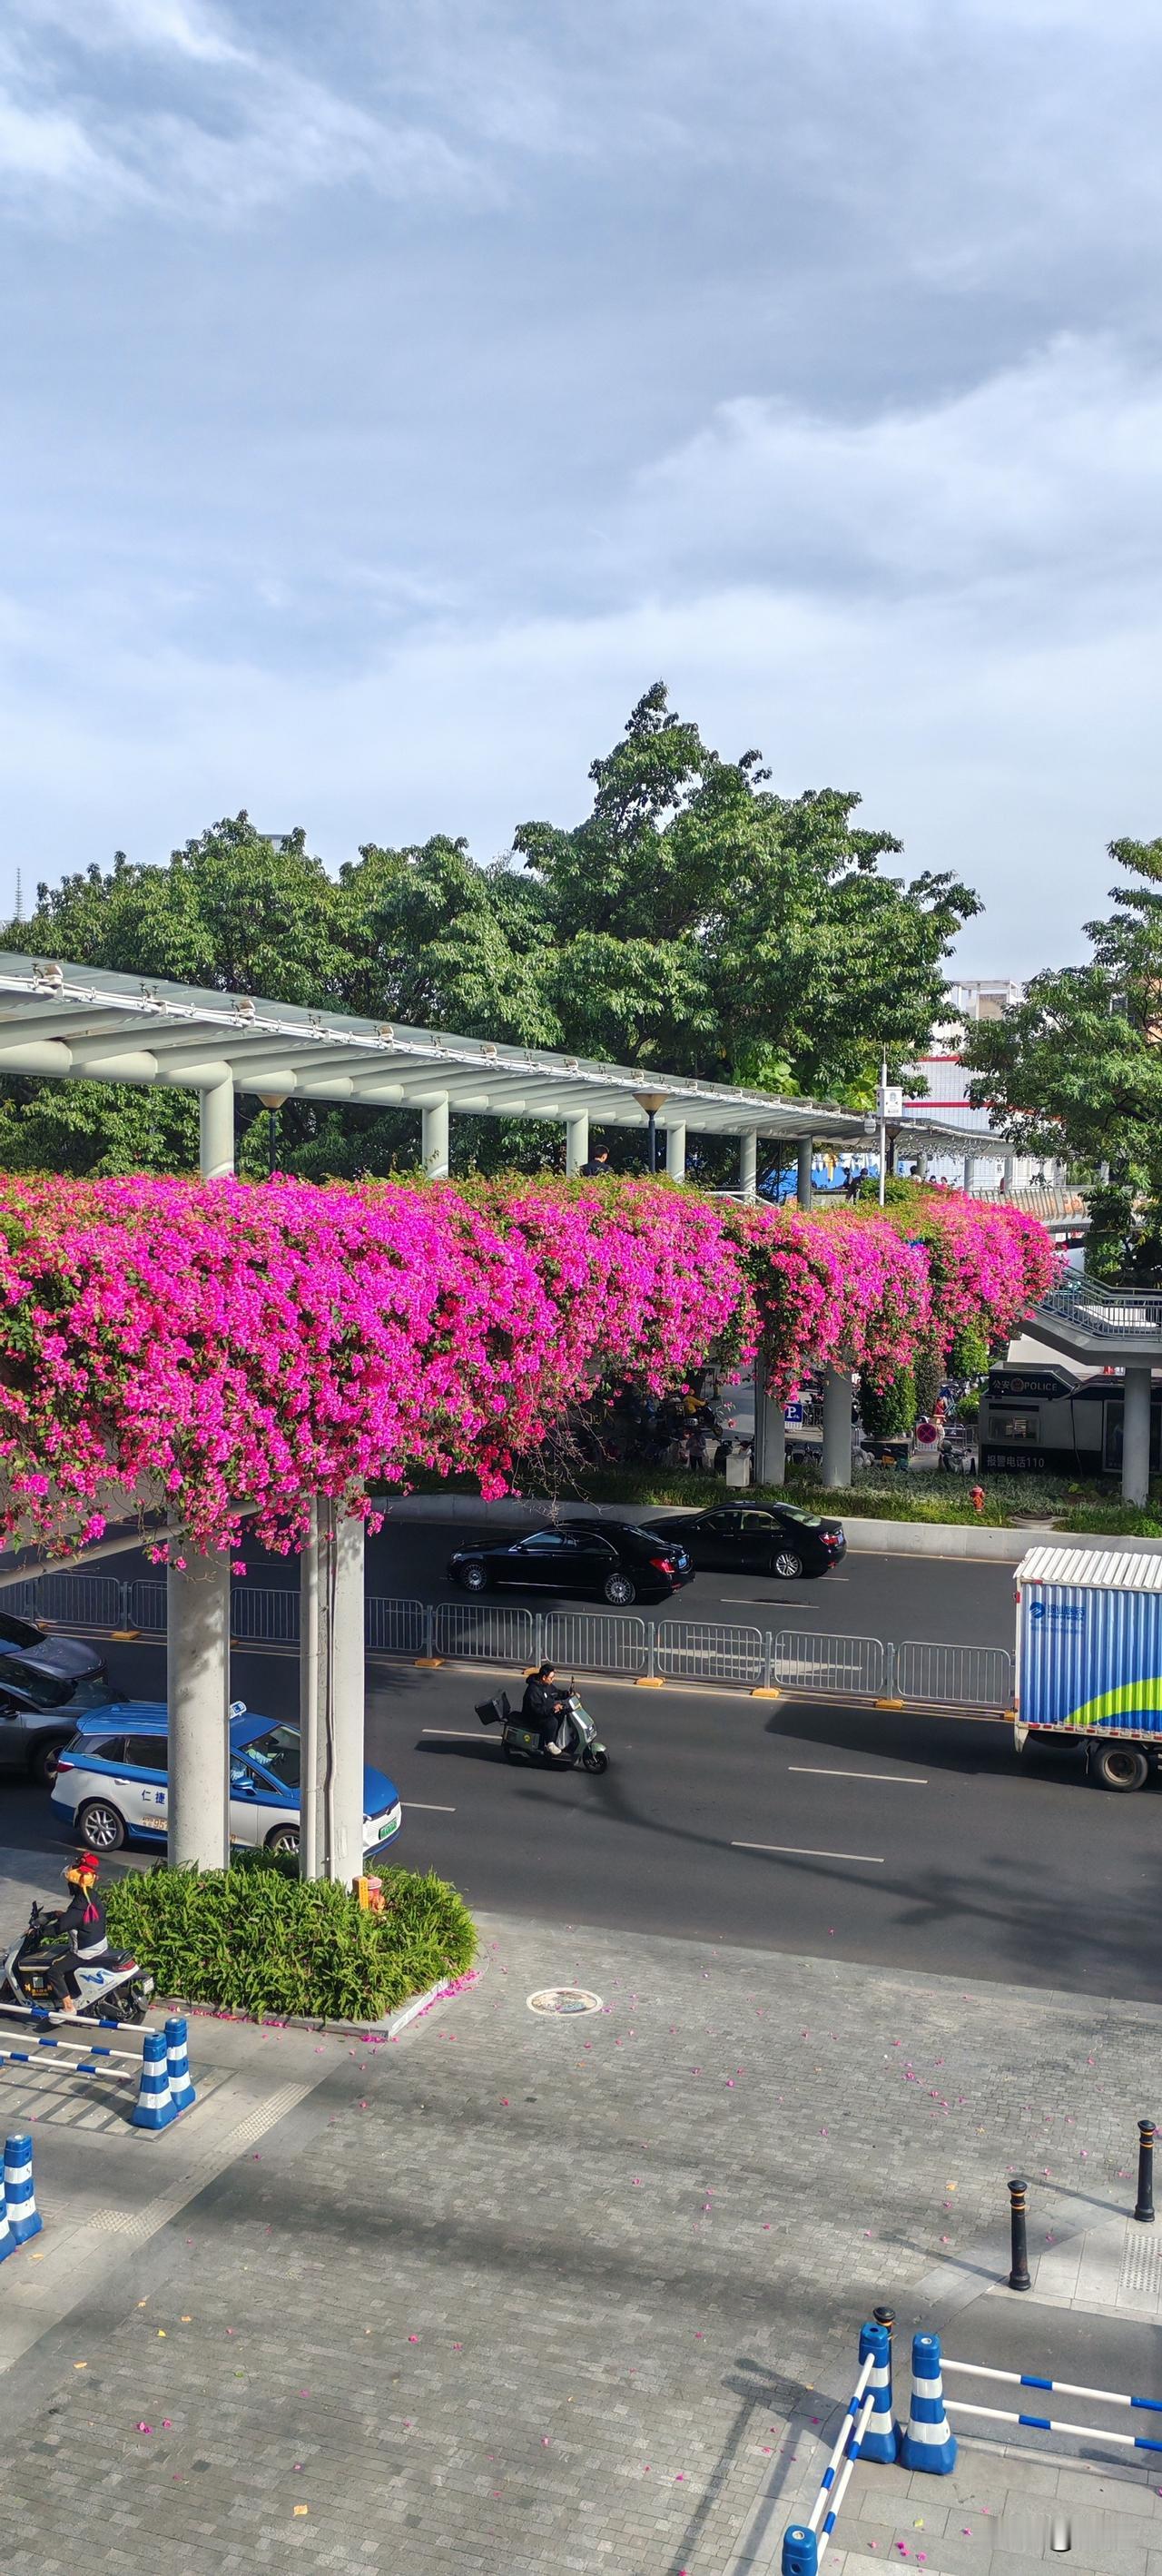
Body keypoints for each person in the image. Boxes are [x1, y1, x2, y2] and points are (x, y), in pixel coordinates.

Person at [43, 1853, 109, 2014]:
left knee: (54, 1971)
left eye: (69, 1883)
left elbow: (59, 1929)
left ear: (75, 1885)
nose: (68, 1886)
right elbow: (74, 1918)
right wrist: (60, 1914)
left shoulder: (79, 1904)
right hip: (99, 1943)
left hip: (85, 1951)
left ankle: (68, 2007)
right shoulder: (91, 1896)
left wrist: (40, 1931)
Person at [520, 1662, 571, 1756]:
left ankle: (555, 1739)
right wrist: (552, 1710)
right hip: (533, 1718)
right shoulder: (533, 1690)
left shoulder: (546, 1685)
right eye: (551, 1678)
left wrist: (567, 1694)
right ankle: (550, 1744)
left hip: (544, 1713)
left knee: (562, 1715)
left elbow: (555, 1693)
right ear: (544, 1678)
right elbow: (537, 1710)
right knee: (552, 1721)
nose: (553, 1680)